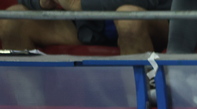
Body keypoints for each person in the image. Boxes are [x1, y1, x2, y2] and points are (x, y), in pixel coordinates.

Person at [0, 0, 169, 55]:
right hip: (83, 25)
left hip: (152, 20)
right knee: (14, 20)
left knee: (128, 18)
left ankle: (142, 108)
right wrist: (41, 3)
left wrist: (80, 4)